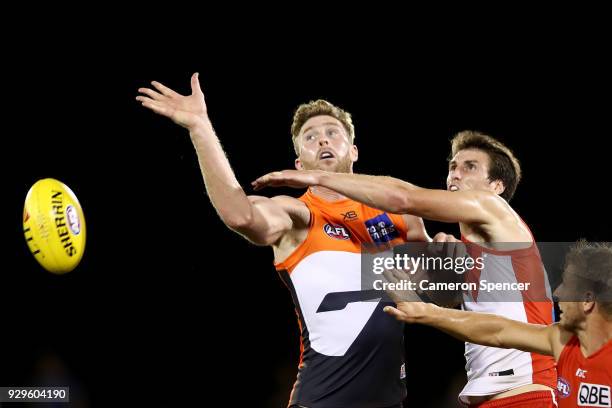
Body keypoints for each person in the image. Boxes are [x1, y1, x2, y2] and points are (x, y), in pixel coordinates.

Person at [136, 74, 429, 407]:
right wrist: (200, 127)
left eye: (333, 133)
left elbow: (435, 285)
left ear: (354, 150)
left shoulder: (399, 212)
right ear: (299, 164)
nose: (323, 141)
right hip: (321, 401)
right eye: (311, 136)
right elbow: (242, 215)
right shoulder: (299, 215)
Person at [253, 131, 558, 406]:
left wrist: (319, 177)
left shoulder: (495, 208)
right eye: (453, 166)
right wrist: (426, 289)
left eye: (470, 167)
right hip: (496, 396)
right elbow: (458, 311)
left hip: (525, 391)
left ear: (496, 186)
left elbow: (403, 198)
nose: (455, 174)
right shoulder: (475, 252)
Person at [384, 241, 612, 408]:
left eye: (568, 286)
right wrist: (423, 310)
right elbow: (498, 331)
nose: (558, 292)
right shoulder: (561, 340)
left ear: (588, 300)